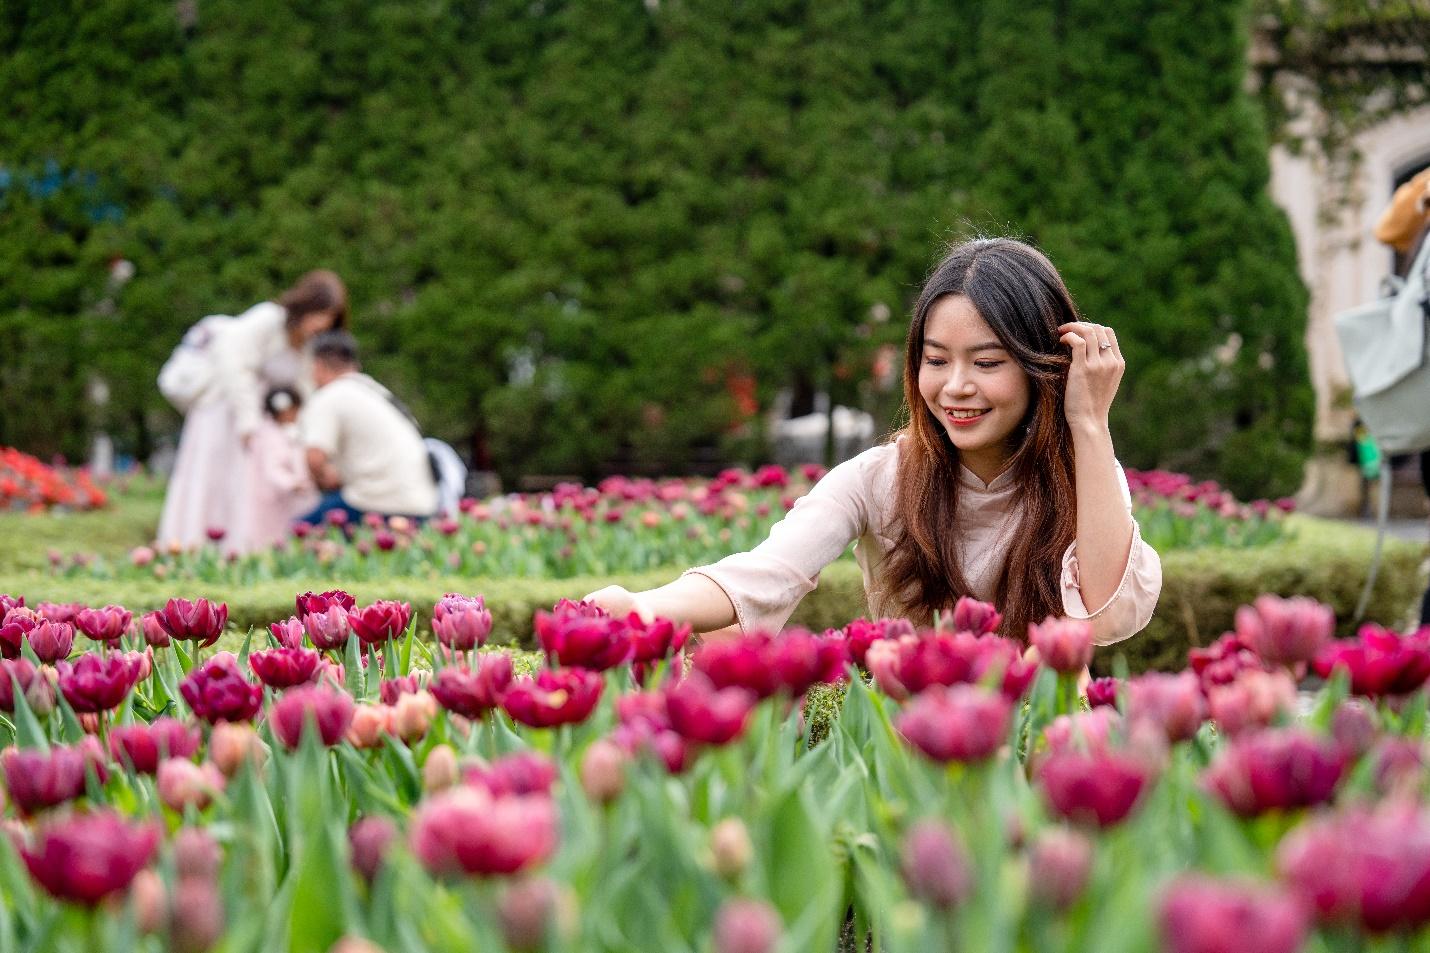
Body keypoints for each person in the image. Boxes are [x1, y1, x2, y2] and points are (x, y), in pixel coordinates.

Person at [585, 238, 1162, 647]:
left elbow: (1105, 613)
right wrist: (644, 606)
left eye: (987, 362)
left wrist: (1089, 422)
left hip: (1044, 746)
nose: (956, 387)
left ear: (1042, 367)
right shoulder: (881, 478)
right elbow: (767, 573)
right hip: (915, 740)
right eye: (936, 361)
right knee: (721, 642)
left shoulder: (1082, 473)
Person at [157, 270, 347, 552]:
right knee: (217, 483)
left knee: (253, 491)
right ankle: (198, 546)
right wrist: (248, 422)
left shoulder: (307, 344)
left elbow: (305, 390)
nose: (321, 323)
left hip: (263, 425)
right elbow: (232, 362)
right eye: (320, 313)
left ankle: (247, 548)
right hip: (226, 413)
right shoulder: (268, 318)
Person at [297, 331, 438, 525]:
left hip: (377, 505)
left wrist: (326, 479)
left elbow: (314, 458)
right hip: (423, 504)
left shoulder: (329, 396)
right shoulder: (375, 390)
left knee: (298, 533)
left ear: (318, 365)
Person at [245, 387, 319, 550]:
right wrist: (292, 483)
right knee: (272, 536)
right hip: (272, 498)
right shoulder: (270, 437)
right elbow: (272, 469)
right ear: (286, 411)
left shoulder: (280, 432)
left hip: (282, 499)